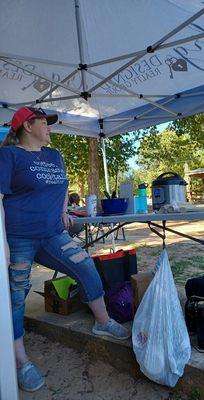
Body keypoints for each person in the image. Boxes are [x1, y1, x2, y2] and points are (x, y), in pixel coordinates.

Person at [0, 107, 130, 393]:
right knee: (16, 294)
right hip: (18, 237)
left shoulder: (54, 155)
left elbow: (63, 184)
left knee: (85, 264)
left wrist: (62, 210)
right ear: (27, 126)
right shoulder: (9, 156)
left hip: (52, 234)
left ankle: (102, 321)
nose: (48, 127)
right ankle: (21, 361)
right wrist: (2, 245)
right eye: (43, 122)